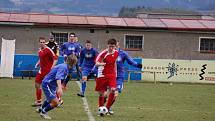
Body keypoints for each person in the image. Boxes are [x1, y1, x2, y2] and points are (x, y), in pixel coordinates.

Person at [104, 40, 142, 115]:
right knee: (106, 94)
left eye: (116, 46)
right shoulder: (107, 53)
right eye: (113, 46)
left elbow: (130, 61)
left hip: (119, 77)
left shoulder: (122, 54)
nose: (114, 47)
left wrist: (138, 65)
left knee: (115, 93)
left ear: (118, 46)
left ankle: (108, 108)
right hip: (110, 75)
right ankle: (104, 103)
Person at [36, 54, 77, 119]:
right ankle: (43, 112)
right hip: (47, 84)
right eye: (74, 63)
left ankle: (41, 109)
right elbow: (58, 77)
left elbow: (67, 76)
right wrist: (60, 88)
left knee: (50, 99)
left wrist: (64, 85)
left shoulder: (66, 67)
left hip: (52, 85)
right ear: (72, 63)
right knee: (56, 102)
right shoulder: (64, 67)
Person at [95, 38, 118, 115]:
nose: (111, 48)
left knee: (113, 90)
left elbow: (114, 63)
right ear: (107, 45)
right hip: (102, 74)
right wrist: (102, 64)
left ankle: (107, 109)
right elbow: (96, 63)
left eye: (113, 46)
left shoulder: (116, 53)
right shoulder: (103, 53)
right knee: (101, 93)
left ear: (115, 46)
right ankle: (101, 108)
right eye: (110, 46)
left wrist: (116, 73)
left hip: (111, 74)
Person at [32, 37, 58, 106]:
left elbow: (55, 58)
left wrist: (52, 67)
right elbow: (41, 59)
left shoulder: (48, 50)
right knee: (37, 84)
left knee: (50, 88)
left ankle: (58, 100)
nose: (42, 43)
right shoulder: (39, 50)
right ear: (39, 43)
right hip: (41, 71)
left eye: (43, 42)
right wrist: (37, 64)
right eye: (41, 42)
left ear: (45, 42)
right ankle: (39, 101)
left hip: (48, 72)